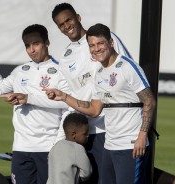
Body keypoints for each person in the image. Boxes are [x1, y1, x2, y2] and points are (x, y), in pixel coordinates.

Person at [45, 23, 156, 184]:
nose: (96, 48)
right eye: (92, 45)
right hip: (110, 145)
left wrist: (142, 136)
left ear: (111, 43)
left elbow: (149, 101)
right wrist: (64, 96)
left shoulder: (127, 67)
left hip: (130, 145)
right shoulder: (100, 73)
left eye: (100, 43)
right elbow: (94, 109)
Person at [0, 24, 70, 184]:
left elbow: (68, 105)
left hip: (48, 147)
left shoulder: (61, 71)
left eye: (36, 44)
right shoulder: (21, 70)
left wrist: (58, 142)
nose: (31, 49)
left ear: (47, 43)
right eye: (27, 45)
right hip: (21, 147)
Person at [51, 3, 132, 183]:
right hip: (85, 131)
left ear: (78, 18)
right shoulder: (65, 59)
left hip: (111, 127)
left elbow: (126, 70)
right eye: (61, 24)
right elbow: (71, 97)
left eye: (69, 20)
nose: (66, 26)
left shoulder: (103, 40)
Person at [47, 113, 92, 184]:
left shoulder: (56, 145)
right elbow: (87, 172)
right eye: (85, 134)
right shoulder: (78, 148)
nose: (88, 136)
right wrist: (77, 177)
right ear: (73, 134)